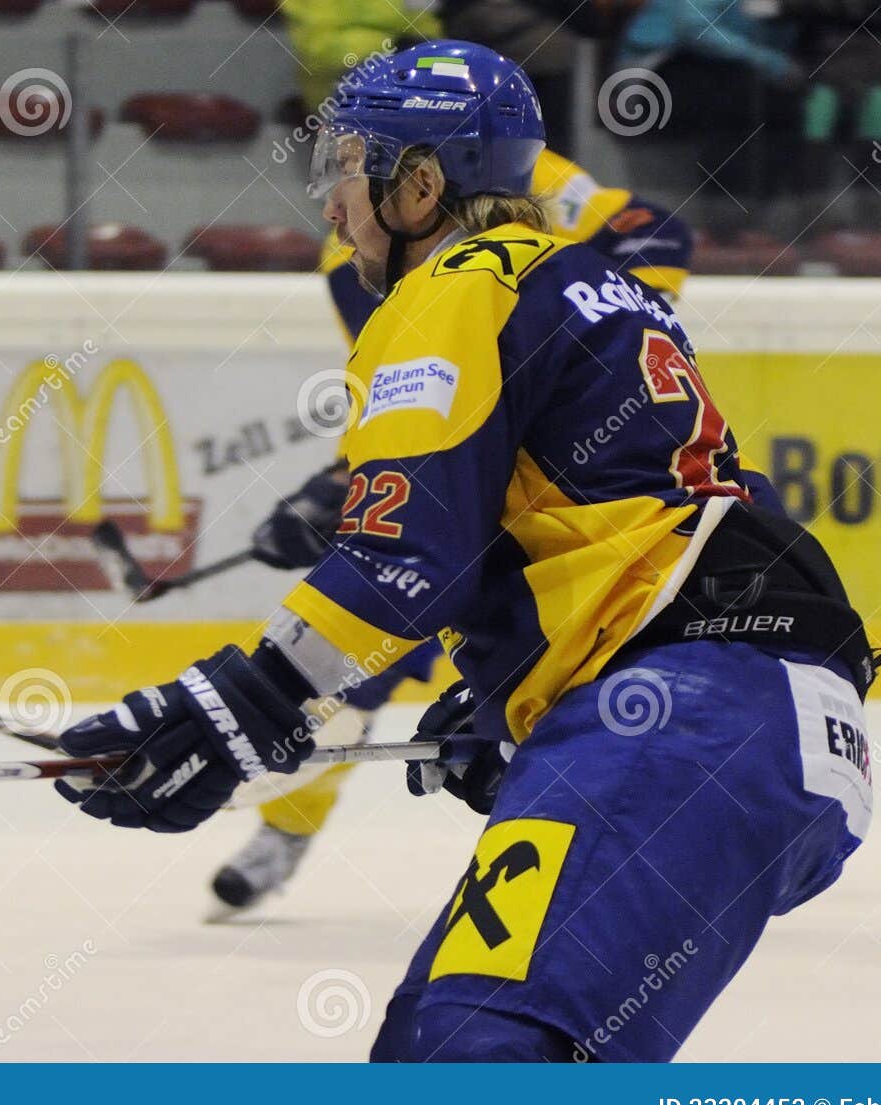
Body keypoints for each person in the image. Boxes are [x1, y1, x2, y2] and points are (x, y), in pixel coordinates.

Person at [56, 42, 881, 1061]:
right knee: (428, 1051)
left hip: (691, 712)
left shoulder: (455, 282)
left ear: (418, 183)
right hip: (745, 715)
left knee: (480, 1058)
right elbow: (595, 505)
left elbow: (403, 560)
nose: (331, 204)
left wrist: (245, 697)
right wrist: (519, 683)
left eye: (349, 169)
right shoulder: (580, 276)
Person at [210, 147, 696, 912]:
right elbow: (416, 387)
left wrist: (595, 322)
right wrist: (344, 482)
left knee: (554, 662)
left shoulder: (519, 171)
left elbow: (648, 231)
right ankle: (288, 830)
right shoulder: (351, 239)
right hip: (457, 470)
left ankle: (593, 865)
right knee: (360, 659)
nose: (333, 200)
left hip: (548, 478)